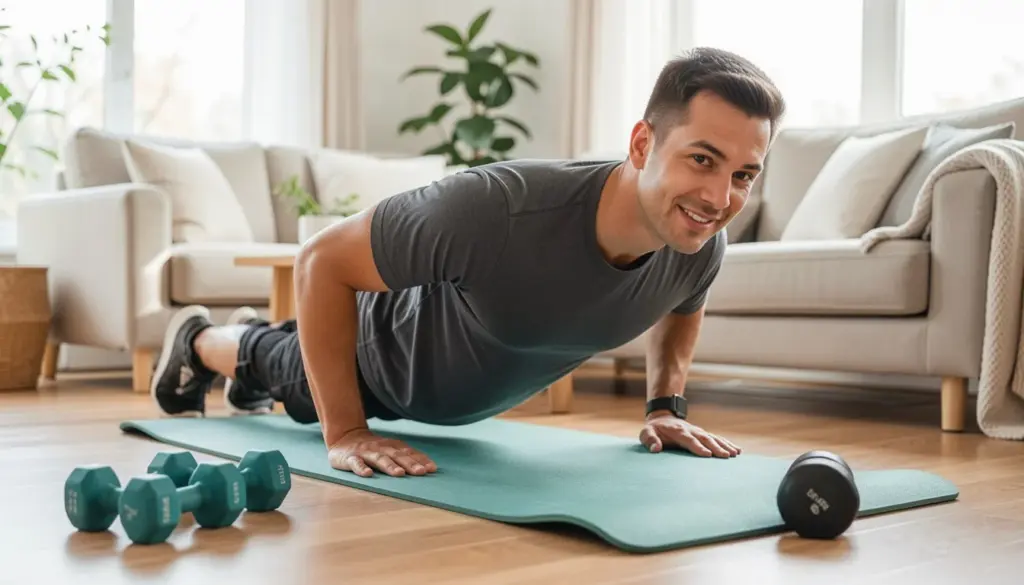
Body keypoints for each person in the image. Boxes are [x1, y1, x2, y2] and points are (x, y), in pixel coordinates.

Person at [149, 47, 785, 479]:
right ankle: (199, 339)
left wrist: (664, 408)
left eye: (744, 175)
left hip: (449, 394)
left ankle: (248, 360)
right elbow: (320, 261)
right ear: (643, 144)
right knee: (280, 360)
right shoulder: (496, 208)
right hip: (379, 362)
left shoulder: (696, 245)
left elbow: (682, 310)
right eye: (701, 160)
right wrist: (345, 434)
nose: (720, 198)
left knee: (280, 360)